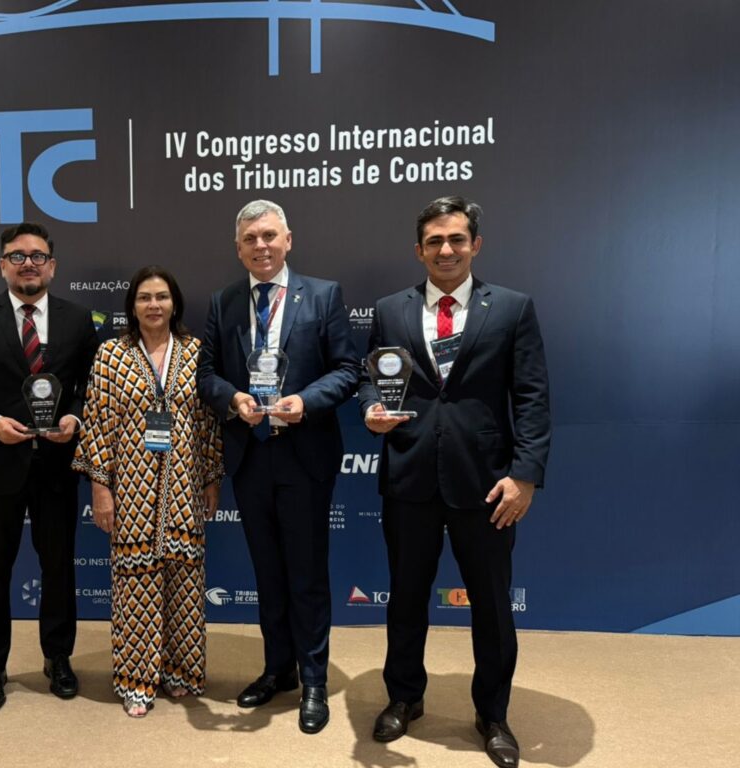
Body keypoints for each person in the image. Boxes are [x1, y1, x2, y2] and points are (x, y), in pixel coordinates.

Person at [357, 196, 551, 768]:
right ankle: (404, 697)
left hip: (487, 484)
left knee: (491, 605)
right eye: (435, 241)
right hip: (409, 476)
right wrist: (370, 410)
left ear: (475, 245)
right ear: (419, 250)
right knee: (406, 599)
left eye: (457, 239)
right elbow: (371, 377)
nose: (446, 249)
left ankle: (493, 714)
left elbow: (533, 398)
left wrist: (525, 476)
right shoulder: (389, 310)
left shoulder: (512, 308)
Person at [197, 199, 359, 734]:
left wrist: (305, 401)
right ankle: (278, 669)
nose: (261, 246)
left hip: (304, 453)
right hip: (250, 454)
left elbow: (347, 369)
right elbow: (206, 374)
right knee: (267, 572)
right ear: (238, 248)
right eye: (250, 239)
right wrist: (233, 399)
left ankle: (313, 680)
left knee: (306, 573)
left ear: (288, 240)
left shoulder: (324, 295)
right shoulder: (223, 302)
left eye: (269, 236)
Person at [0, 221, 99, 713]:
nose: (28, 263)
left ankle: (58, 658)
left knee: (59, 568)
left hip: (56, 465)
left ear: (52, 265)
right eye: (17, 256)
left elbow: (90, 385)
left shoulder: (77, 319)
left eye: (37, 256)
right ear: (2, 265)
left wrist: (74, 418)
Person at [73, 265, 223, 717]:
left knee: (186, 582)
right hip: (131, 487)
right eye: (144, 298)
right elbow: (97, 423)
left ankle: (181, 670)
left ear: (174, 303)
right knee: (135, 584)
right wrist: (101, 488)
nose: (153, 305)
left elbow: (209, 422)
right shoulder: (111, 355)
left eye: (161, 297)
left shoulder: (197, 352)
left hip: (184, 484)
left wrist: (212, 477)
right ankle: (136, 679)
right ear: (132, 306)